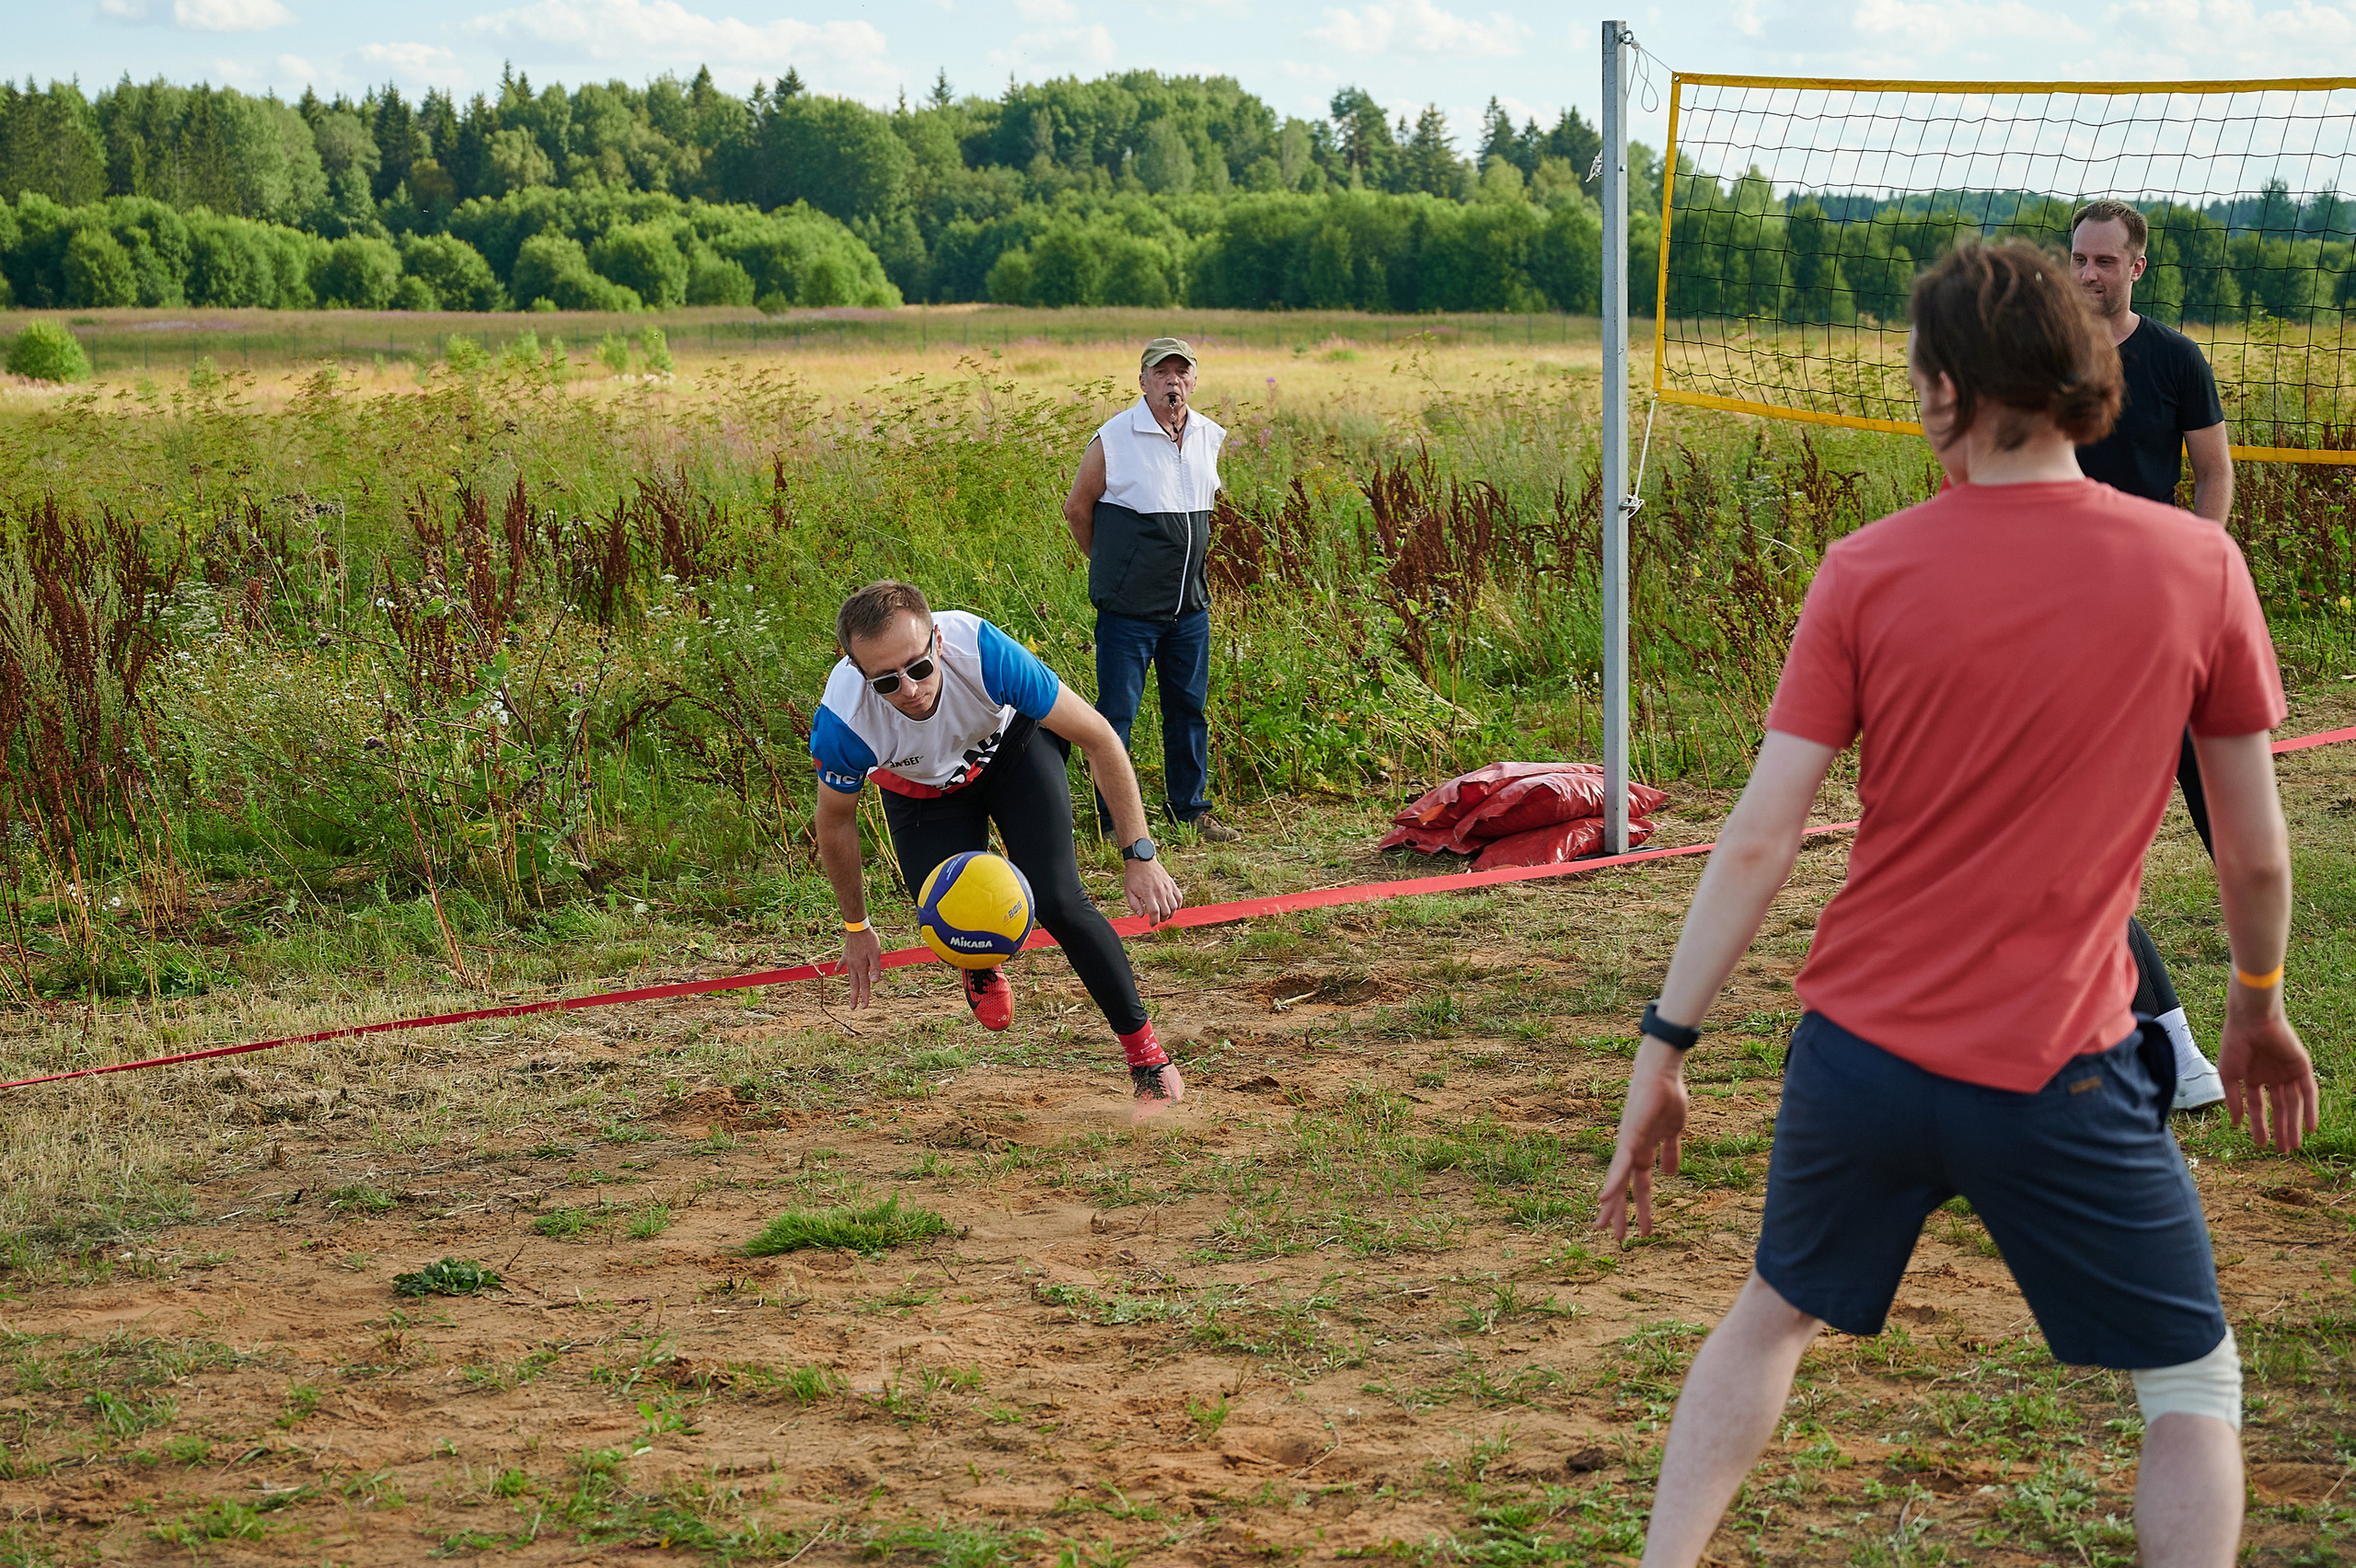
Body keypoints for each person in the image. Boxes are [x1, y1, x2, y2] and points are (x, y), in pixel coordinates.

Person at [1598, 242, 2317, 1568]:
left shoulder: (1864, 569)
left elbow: (1758, 842)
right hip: (2064, 1076)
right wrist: (2257, 1007)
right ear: (2092, 376)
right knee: (2194, 1388)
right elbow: (2256, 857)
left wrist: (1668, 1044)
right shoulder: (2198, 567)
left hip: (1856, 1062)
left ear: (1940, 388)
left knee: (1771, 1316)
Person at [810, 580, 1188, 1104]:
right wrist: (857, 925)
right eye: (886, 682)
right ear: (857, 671)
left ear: (937, 642)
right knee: (945, 913)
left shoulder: (984, 653)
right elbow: (834, 821)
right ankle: (979, 960)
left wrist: (1139, 854)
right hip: (923, 794)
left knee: (1058, 901)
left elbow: (1099, 736)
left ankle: (1147, 1057)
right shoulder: (842, 722)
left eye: (919, 668)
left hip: (1012, 752)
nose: (911, 690)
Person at [2072, 197, 2237, 1109]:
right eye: (2079, 260)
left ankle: (2249, 983)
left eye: (2104, 261)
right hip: (2073, 622)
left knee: (2216, 802)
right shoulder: (2049, 360)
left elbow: (2212, 471)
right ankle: (2157, 1042)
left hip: (2161, 609)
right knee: (2078, 839)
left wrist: (2195, 562)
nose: (2089, 274)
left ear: (2137, 266)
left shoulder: (2172, 358)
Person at [1061, 337, 1241, 844]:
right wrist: (1113, 566)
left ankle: (1191, 811)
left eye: (1181, 373)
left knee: (1188, 710)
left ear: (1194, 380)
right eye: (1161, 373)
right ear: (1142, 382)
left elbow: (1203, 515)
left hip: (1189, 611)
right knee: (1115, 717)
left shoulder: (1208, 435)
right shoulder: (1115, 437)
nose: (1172, 382)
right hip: (1129, 613)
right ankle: (1111, 822)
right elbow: (1078, 508)